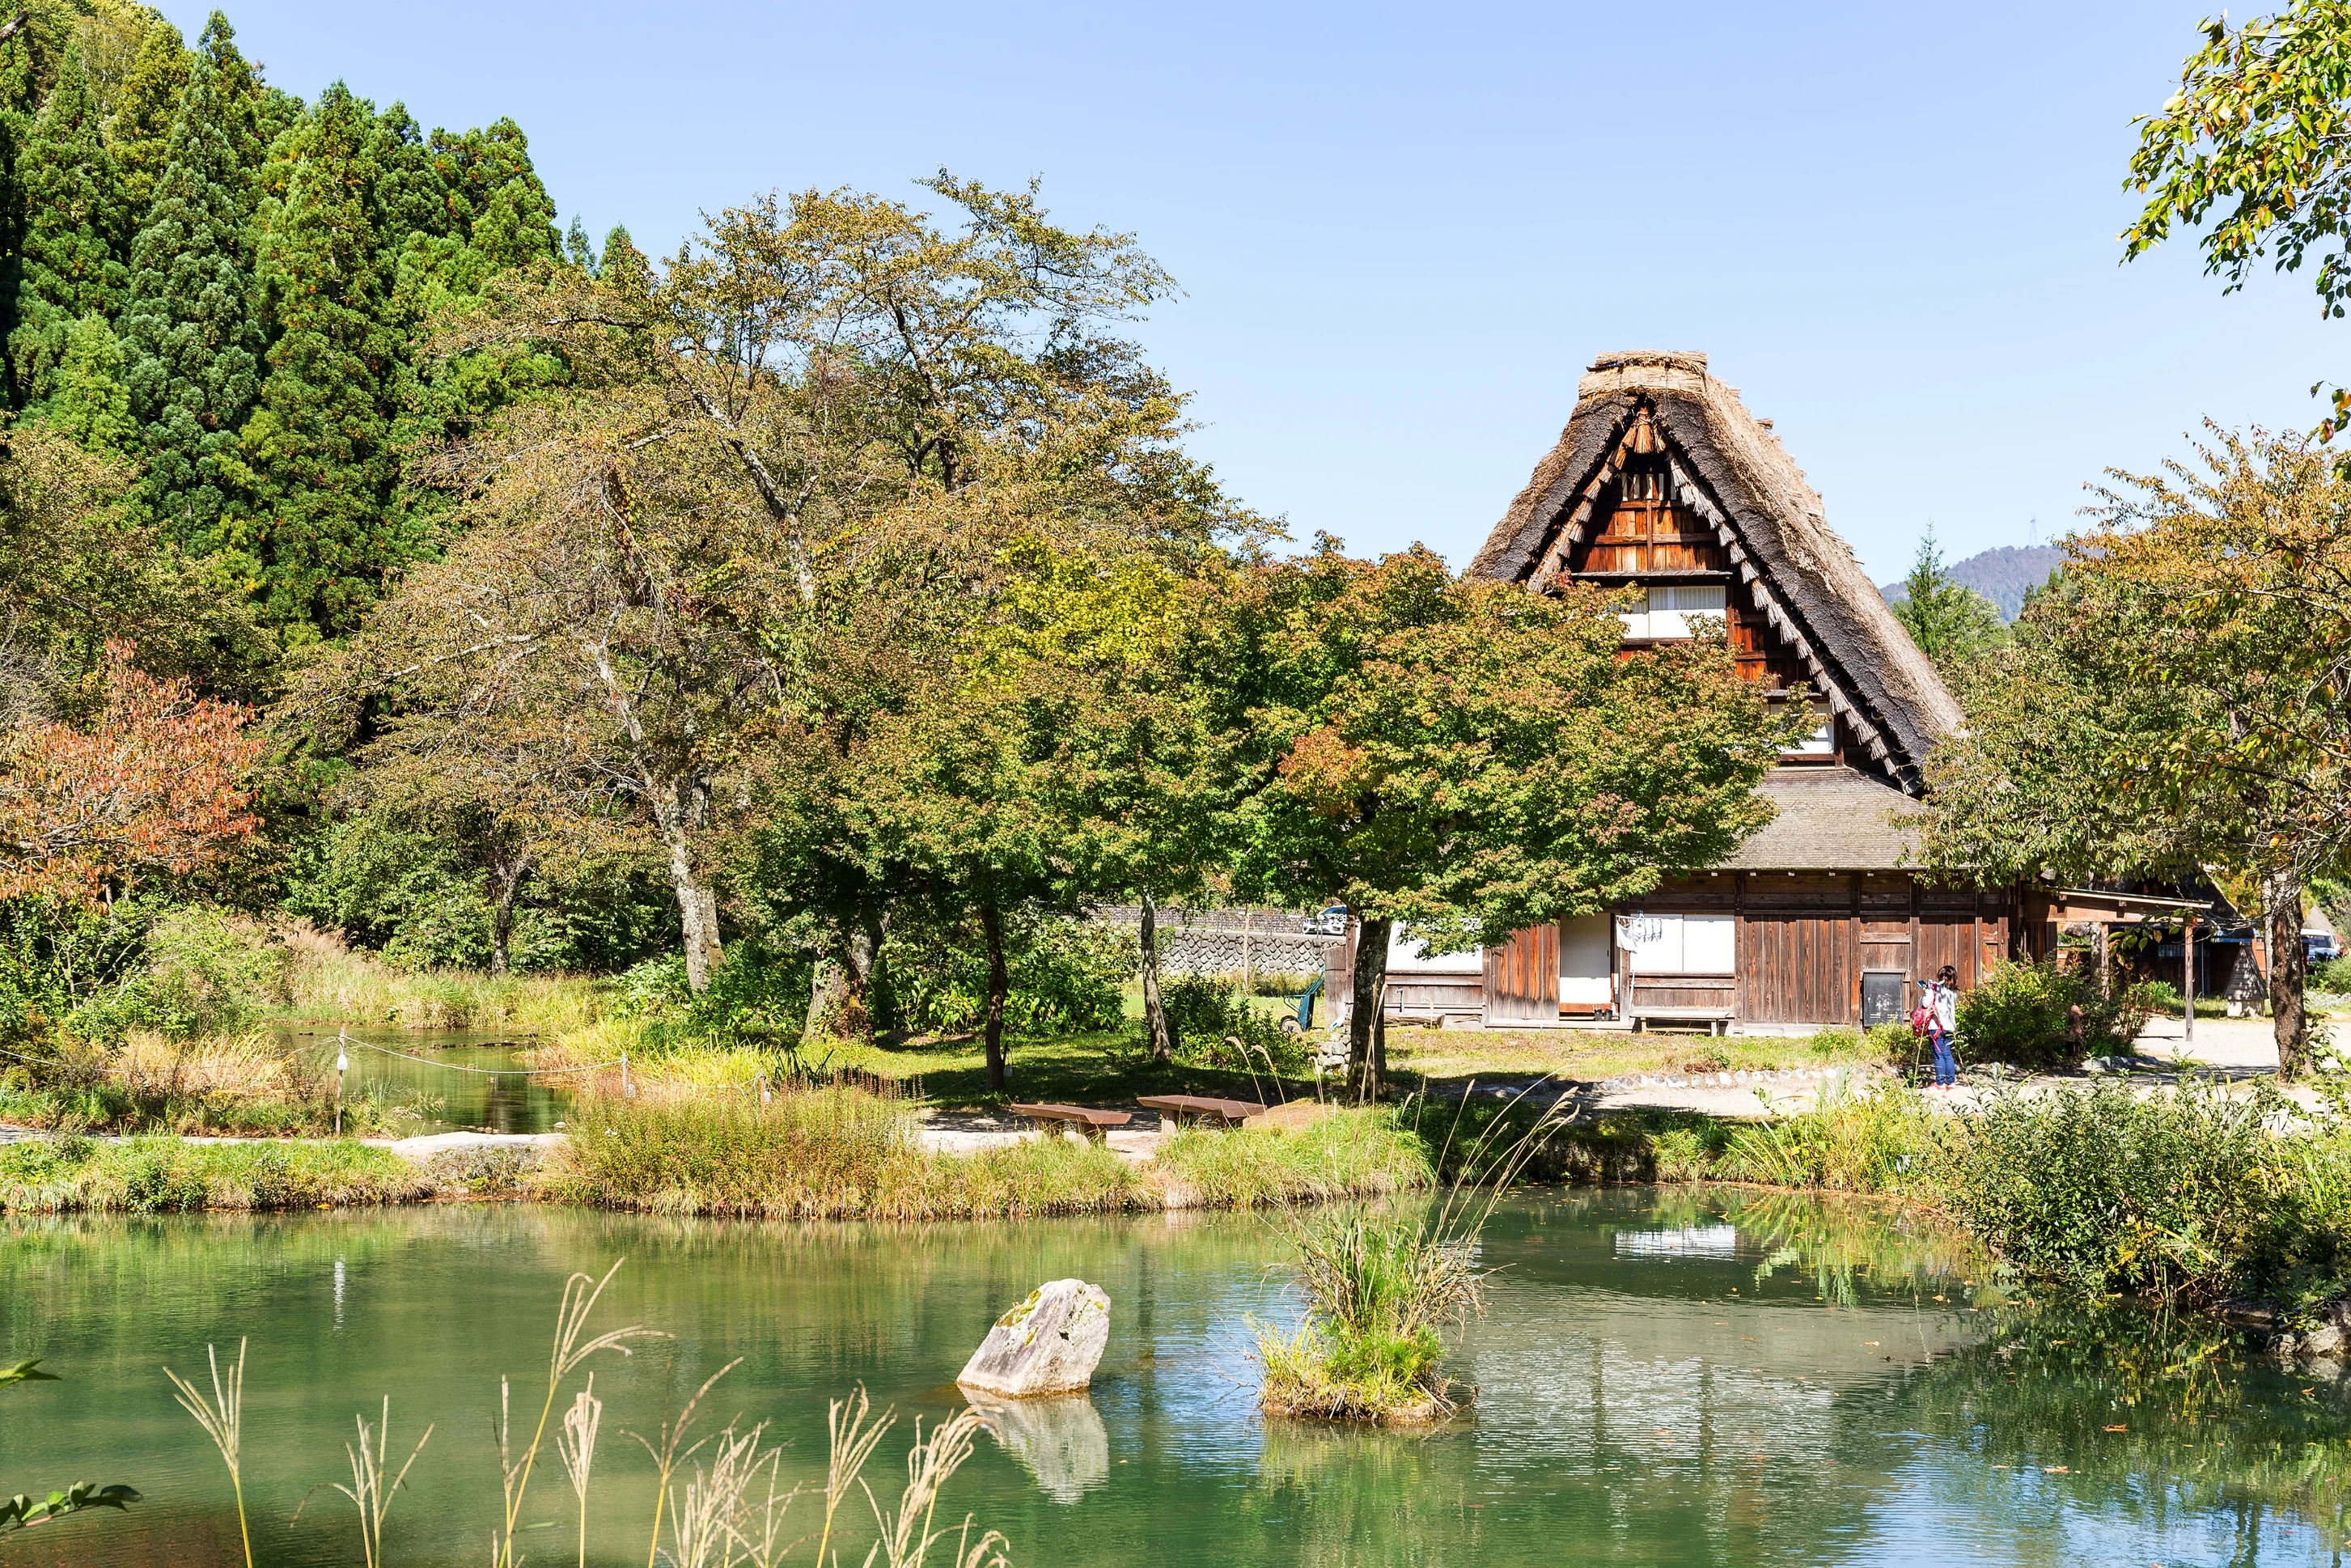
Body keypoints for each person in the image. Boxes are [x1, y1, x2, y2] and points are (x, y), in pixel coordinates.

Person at [1922, 965, 1959, 1089]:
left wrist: (1927, 992)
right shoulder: (1955, 992)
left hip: (1936, 1027)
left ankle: (1939, 1083)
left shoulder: (1935, 989)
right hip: (1950, 1027)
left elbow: (1925, 1003)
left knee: (1938, 1055)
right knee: (1947, 1054)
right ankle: (1950, 1082)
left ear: (1941, 977)